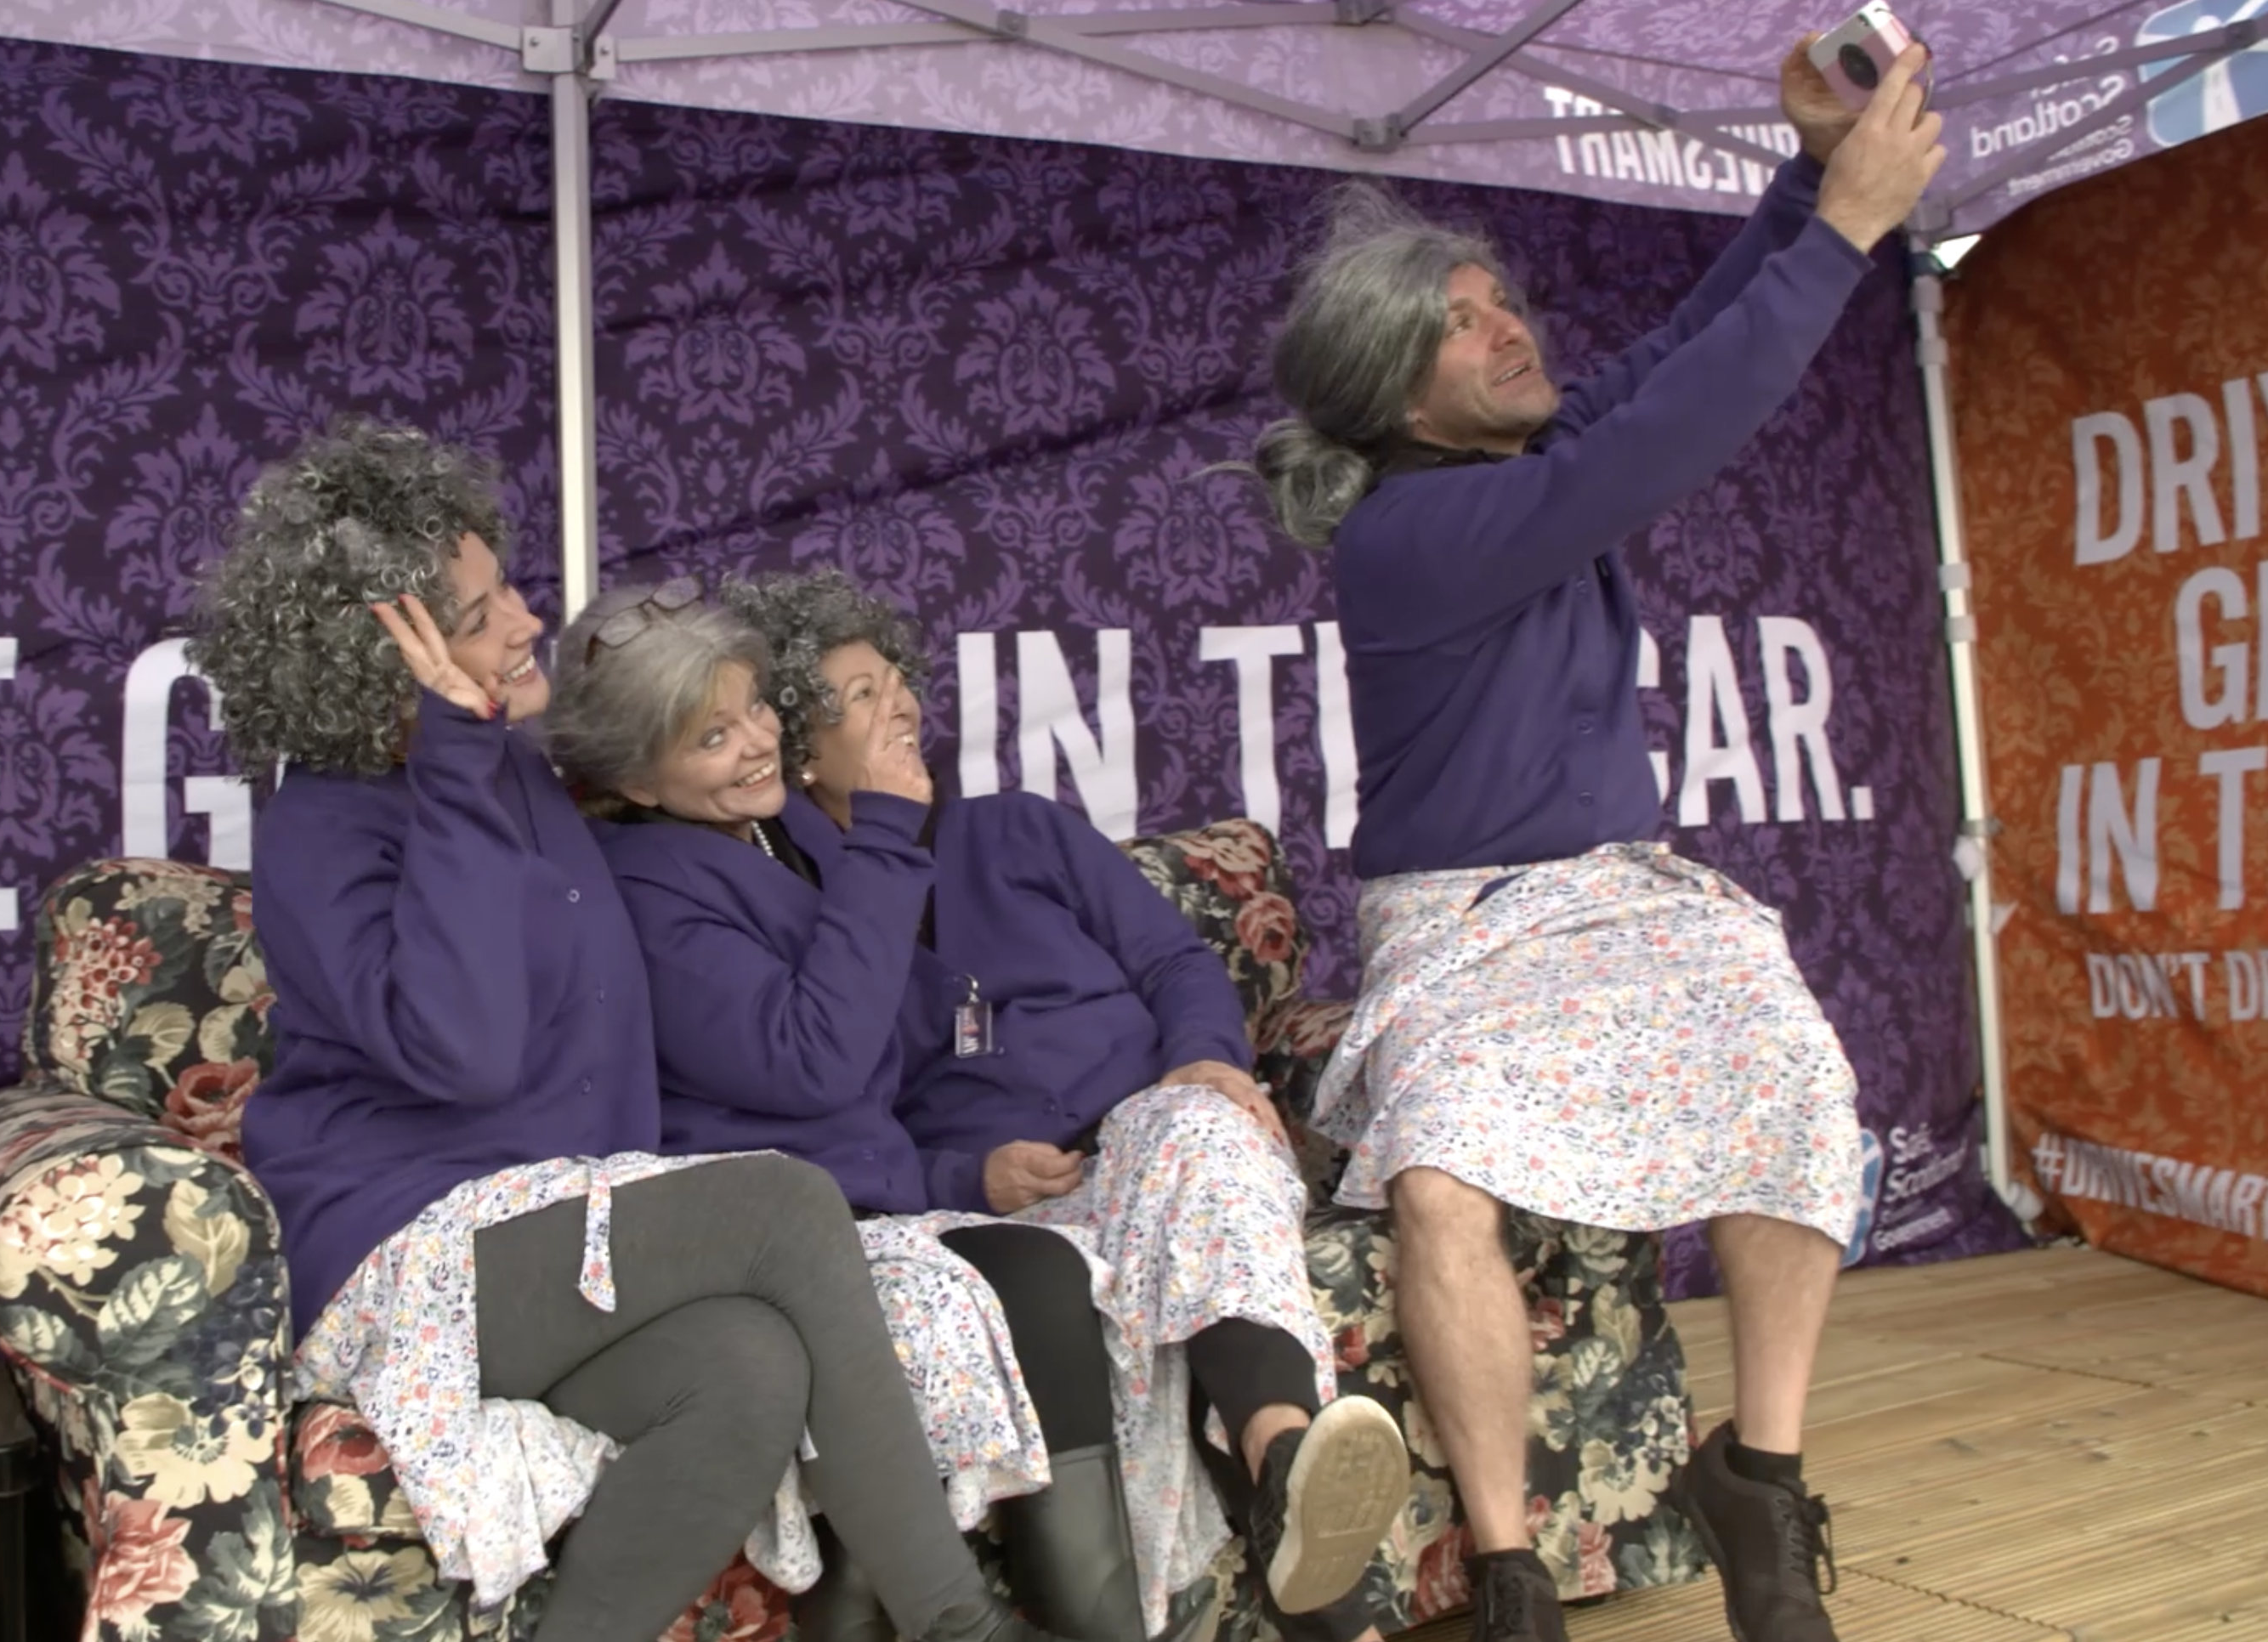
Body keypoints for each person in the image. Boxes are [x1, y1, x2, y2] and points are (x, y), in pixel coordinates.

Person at [1240, 38, 1948, 1642]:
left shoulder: (1521, 452)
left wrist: (1801, 179)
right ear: (1393, 393)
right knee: (1438, 1189)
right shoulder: (1412, 533)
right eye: (1461, 325)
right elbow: (1671, 433)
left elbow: (1686, 351)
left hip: (1622, 897)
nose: (1509, 330)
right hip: (1464, 919)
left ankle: (1754, 1472)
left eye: (1502, 304)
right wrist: (1845, 226)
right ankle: (1508, 1569)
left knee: (1791, 1078)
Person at [190, 417, 1092, 1642]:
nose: (520, 620)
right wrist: (452, 760)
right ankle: (958, 1625)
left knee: (746, 1369)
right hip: (411, 1254)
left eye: (504, 583)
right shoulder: (327, 829)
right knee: (780, 1205)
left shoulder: (512, 770)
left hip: (560, 1223)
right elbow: (466, 1051)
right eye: (478, 613)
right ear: (377, 654)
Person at [724, 568, 1415, 1642]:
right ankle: (1314, 1549)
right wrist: (970, 1175)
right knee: (1164, 1263)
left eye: (895, 679)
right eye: (861, 696)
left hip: (1149, 1138)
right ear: (801, 753)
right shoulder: (798, 911)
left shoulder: (1018, 830)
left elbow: (1177, 964)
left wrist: (1203, 1061)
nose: (901, 701)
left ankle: (1285, 1450)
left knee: (1197, 1141)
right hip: (1006, 1209)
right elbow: (827, 1110)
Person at [548, 580, 1143, 1642]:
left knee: (1045, 1273)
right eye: (712, 736)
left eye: (758, 710)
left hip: (879, 1201)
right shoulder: (647, 887)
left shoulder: (764, 843)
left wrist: (966, 1173)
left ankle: (1091, 1621)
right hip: (777, 1241)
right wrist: (881, 834)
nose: (757, 745)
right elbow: (812, 1067)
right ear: (635, 779)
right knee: (1021, 1288)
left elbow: (895, 1066)